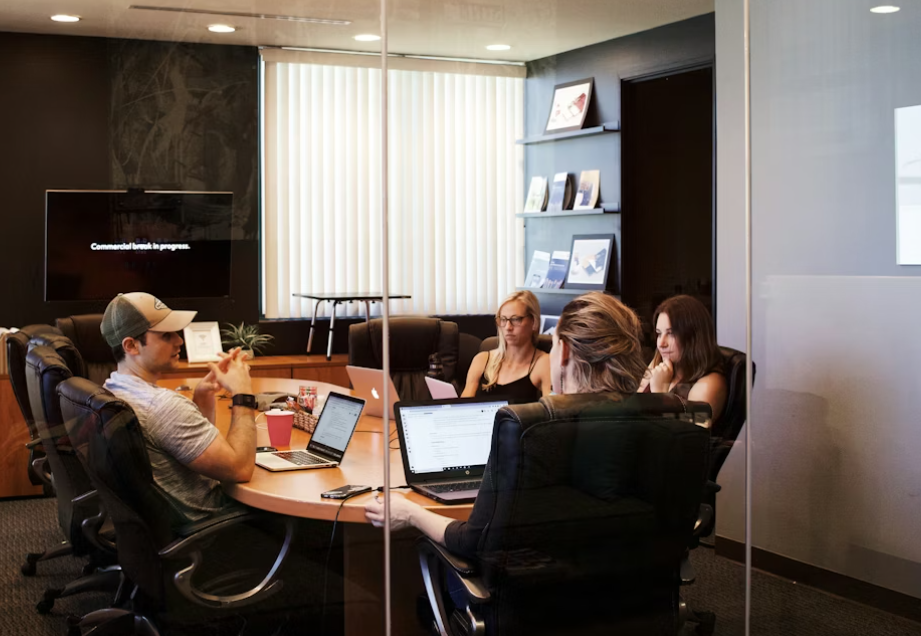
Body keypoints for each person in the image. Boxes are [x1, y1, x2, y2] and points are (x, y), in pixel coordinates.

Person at [366, 292, 648, 555]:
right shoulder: (663, 426)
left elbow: (471, 540)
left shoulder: (528, 438)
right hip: (640, 598)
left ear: (561, 354)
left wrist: (410, 513)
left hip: (532, 597)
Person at [100, 292, 258, 525]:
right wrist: (243, 395)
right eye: (166, 335)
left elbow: (190, 450)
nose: (179, 341)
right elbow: (240, 469)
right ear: (131, 345)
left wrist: (202, 397)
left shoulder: (111, 388)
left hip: (163, 529)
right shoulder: (163, 406)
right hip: (216, 528)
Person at [638, 295, 727, 422]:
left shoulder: (710, 384)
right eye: (659, 334)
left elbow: (685, 436)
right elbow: (633, 411)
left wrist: (660, 394)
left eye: (671, 333)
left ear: (693, 336)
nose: (661, 344)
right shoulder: (660, 363)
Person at [461, 290, 551, 404]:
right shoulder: (482, 360)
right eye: (503, 319)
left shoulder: (544, 362)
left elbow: (554, 413)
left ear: (534, 322)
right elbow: (463, 408)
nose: (508, 327)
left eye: (516, 319)